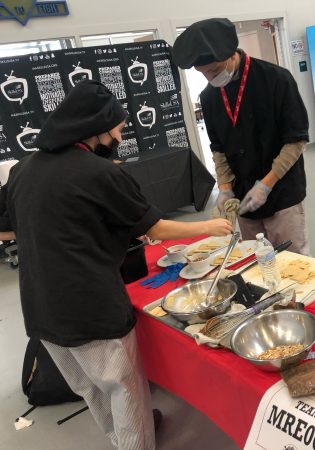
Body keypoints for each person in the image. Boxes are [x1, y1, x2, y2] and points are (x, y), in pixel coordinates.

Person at [0, 80, 232, 450]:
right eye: (119, 129)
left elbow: (7, 229)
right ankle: (135, 441)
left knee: (91, 388)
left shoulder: (23, 169)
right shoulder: (100, 173)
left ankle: (123, 437)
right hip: (91, 309)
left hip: (40, 309)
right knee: (125, 390)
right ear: (97, 128)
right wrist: (210, 227)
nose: (120, 137)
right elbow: (154, 228)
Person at [173, 18, 310, 255]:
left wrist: (266, 185)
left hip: (282, 192)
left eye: (214, 70)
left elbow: (295, 141)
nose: (210, 79)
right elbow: (218, 148)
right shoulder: (209, 97)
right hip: (243, 195)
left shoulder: (276, 79)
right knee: (254, 258)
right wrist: (225, 188)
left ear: (231, 54)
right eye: (203, 74)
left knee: (293, 260)